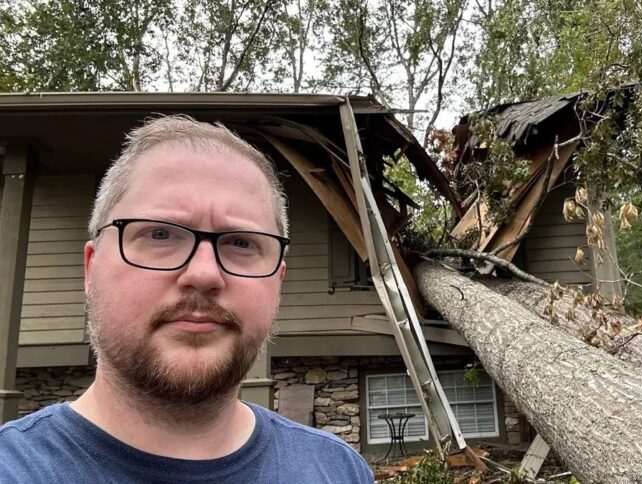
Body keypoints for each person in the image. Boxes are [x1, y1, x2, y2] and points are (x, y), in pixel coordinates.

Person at [0, 115, 374, 483]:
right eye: (160, 235)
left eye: (241, 243)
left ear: (278, 282)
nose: (204, 274)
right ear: (91, 269)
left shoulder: (338, 470)